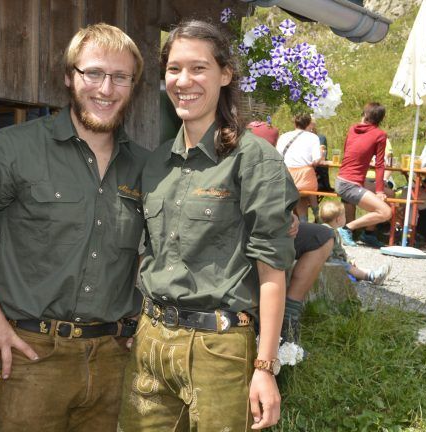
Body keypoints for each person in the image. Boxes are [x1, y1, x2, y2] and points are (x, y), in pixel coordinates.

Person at [0, 23, 147, 431]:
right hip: (31, 358)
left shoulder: (146, 166)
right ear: (69, 77)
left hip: (115, 361)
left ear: (134, 86)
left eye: (120, 77)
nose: (106, 88)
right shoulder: (15, 148)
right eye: (93, 73)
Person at [118, 20, 297, 431]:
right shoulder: (155, 163)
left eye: (198, 68)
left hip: (219, 349)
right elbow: (148, 253)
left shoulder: (255, 159)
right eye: (174, 69)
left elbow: (273, 270)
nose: (184, 81)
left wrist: (265, 367)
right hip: (150, 342)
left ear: (225, 74)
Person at [248, 116, 334, 347]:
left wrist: (291, 217)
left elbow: (280, 206)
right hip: (244, 241)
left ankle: (289, 314)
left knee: (322, 236)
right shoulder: (232, 164)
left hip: (271, 234)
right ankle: (265, 323)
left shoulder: (273, 166)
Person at [335, 102, 392, 248]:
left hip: (342, 179)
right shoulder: (380, 135)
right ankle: (346, 228)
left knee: (390, 194)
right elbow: (380, 164)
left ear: (365, 115)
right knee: (385, 212)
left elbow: (348, 152)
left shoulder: (352, 129)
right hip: (350, 184)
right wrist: (379, 191)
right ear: (381, 118)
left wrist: (381, 191)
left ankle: (368, 234)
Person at [320, 202, 391, 284]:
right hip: (329, 262)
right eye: (344, 216)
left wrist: (348, 259)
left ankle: (362, 275)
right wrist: (346, 260)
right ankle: (373, 276)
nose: (345, 218)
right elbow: (336, 251)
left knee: (349, 266)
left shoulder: (323, 229)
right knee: (349, 267)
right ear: (338, 219)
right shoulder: (331, 232)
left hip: (323, 260)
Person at [276, 113, 324, 221]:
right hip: (306, 181)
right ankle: (317, 215)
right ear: (309, 124)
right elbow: (316, 160)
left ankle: (303, 221)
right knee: (306, 187)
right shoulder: (313, 137)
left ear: (295, 123)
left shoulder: (283, 136)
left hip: (287, 178)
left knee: (299, 194)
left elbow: (278, 157)